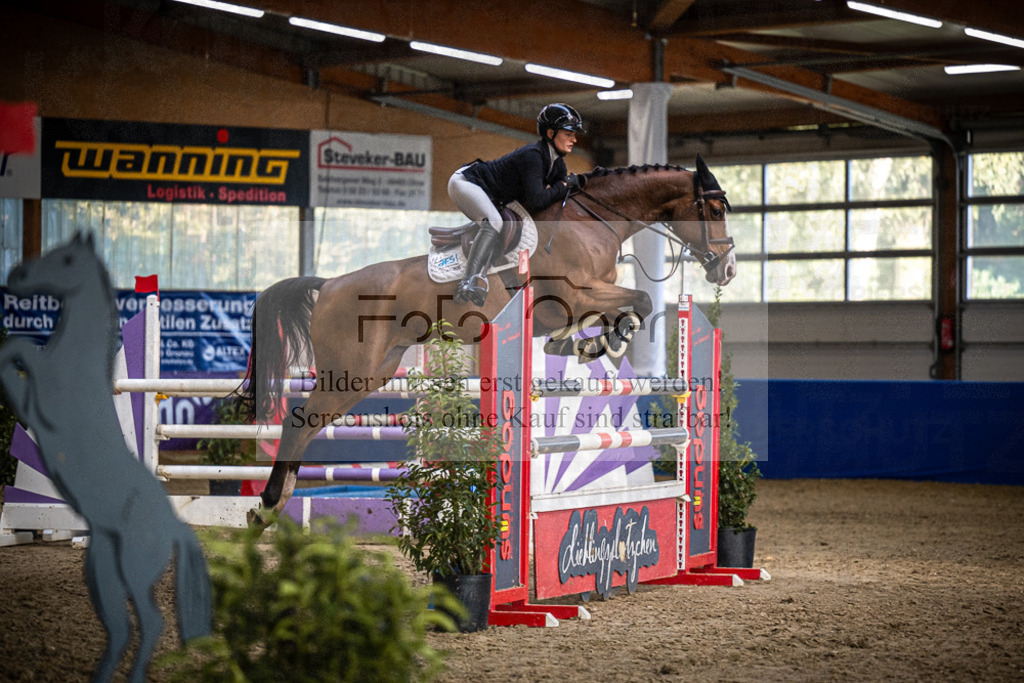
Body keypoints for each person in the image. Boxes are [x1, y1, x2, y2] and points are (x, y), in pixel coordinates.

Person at [447, 103, 586, 306]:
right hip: (466, 183)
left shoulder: (556, 162)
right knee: (494, 222)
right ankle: (467, 283)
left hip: (487, 191)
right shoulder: (533, 156)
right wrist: (564, 184)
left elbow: (559, 194)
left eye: (574, 134)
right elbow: (537, 200)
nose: (574, 139)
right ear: (550, 132)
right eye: (568, 133)